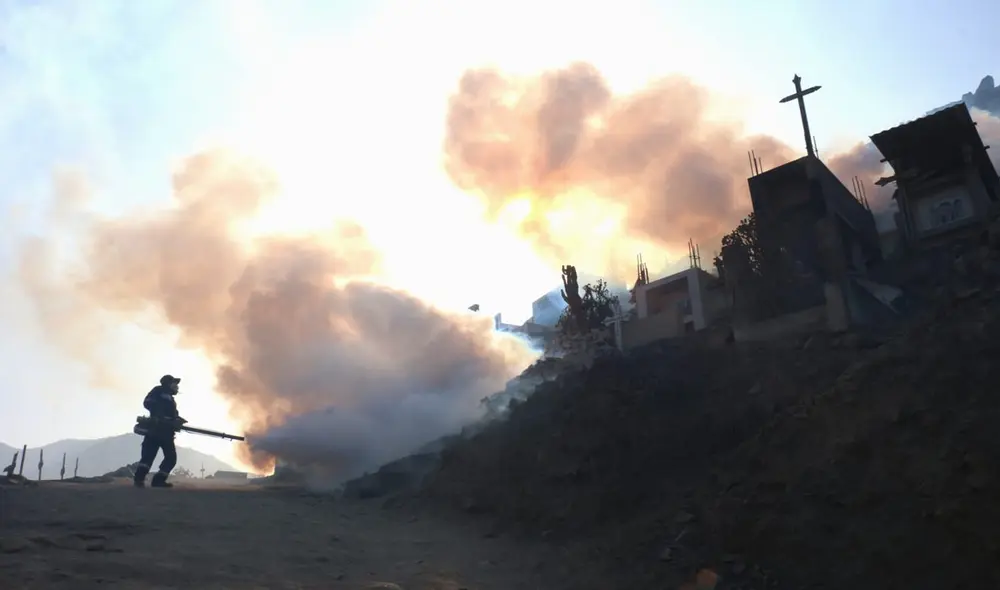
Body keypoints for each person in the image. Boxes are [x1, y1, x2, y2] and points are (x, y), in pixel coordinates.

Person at [133, 374, 186, 488]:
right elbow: (147, 402)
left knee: (171, 458)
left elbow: (173, 414)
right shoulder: (158, 391)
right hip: (155, 431)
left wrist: (177, 420)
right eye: (174, 383)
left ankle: (158, 481)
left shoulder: (171, 399)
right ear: (168, 383)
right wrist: (158, 414)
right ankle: (139, 480)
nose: (176, 386)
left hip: (167, 432)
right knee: (148, 457)